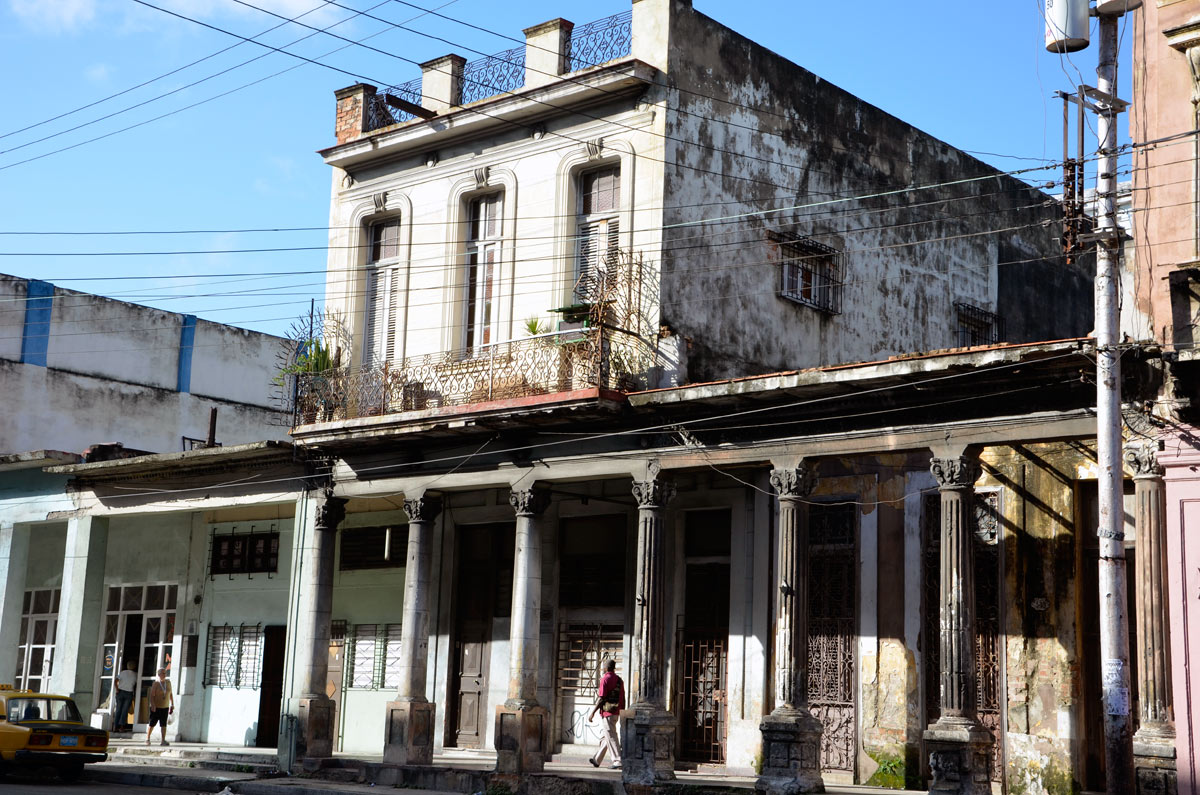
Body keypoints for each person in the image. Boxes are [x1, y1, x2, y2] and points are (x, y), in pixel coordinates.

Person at [587, 658, 624, 769]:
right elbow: (623, 697)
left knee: (611, 736)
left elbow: (601, 698)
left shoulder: (605, 679)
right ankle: (597, 760)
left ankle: (617, 760)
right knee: (606, 736)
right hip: (616, 711)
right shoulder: (619, 680)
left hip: (608, 712)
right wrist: (622, 710)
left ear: (606, 668)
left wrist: (592, 713)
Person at [145, 668, 173, 747]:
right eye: (163, 673)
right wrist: (153, 705)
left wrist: (172, 704)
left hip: (165, 706)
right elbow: (152, 695)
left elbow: (170, 694)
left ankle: (163, 740)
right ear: (159, 675)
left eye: (165, 673)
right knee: (152, 723)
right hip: (156, 707)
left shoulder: (168, 682)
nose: (164, 675)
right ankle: (148, 738)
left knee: (163, 724)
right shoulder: (156, 684)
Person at [113, 661, 137, 733]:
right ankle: (121, 727)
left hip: (120, 692)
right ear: (134, 667)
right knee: (124, 710)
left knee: (118, 709)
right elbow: (136, 684)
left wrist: (117, 689)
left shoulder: (123, 672)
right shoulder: (135, 674)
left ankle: (115, 727)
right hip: (129, 693)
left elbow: (116, 680)